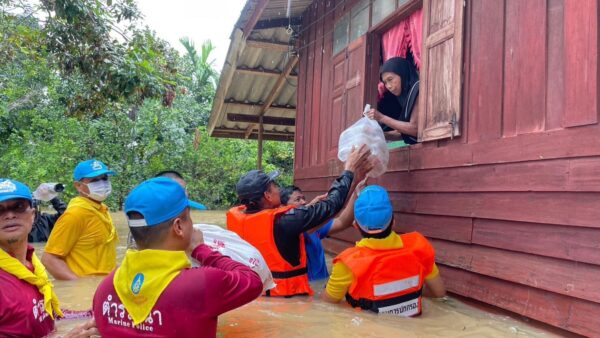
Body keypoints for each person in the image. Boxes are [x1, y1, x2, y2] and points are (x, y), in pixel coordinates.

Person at [93, 177, 262, 337]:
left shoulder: (105, 288)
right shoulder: (202, 283)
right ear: (179, 226)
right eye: (189, 218)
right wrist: (201, 250)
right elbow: (253, 281)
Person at [227, 145, 374, 297]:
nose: (278, 189)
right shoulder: (286, 222)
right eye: (274, 186)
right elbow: (333, 205)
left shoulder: (240, 220)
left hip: (262, 295)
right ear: (268, 196)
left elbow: (335, 209)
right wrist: (349, 168)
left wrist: (355, 180)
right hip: (287, 297)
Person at [322, 185, 446, 316]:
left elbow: (328, 303)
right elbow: (439, 293)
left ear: (356, 226)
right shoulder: (419, 247)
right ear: (393, 221)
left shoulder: (347, 263)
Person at [0, 178, 98, 337]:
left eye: (18, 207)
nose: (10, 215)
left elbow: (44, 314)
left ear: (32, 215)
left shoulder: (32, 265)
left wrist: (94, 314)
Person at [42, 159, 118, 280]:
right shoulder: (75, 214)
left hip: (105, 287)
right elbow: (49, 259)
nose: (102, 183)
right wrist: (79, 287)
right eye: (95, 180)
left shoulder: (102, 210)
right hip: (90, 291)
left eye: (104, 178)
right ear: (78, 186)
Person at [280, 182, 364, 281]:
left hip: (321, 286)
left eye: (303, 198)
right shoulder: (285, 231)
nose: (303, 202)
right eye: (298, 200)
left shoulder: (313, 226)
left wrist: (356, 194)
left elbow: (342, 222)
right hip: (304, 290)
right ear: (282, 207)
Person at [366, 55, 420, 144]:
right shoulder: (405, 97)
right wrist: (378, 134)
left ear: (402, 74)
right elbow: (402, 133)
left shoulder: (418, 89)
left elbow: (415, 129)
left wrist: (381, 117)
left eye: (390, 79)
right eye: (385, 83)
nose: (388, 86)